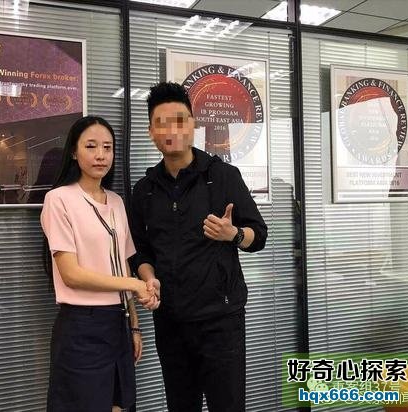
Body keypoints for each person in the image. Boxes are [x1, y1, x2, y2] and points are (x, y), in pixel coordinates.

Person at [130, 82, 268, 411]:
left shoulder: (223, 176)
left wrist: (233, 234)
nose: (172, 130)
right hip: (171, 322)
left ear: (193, 124)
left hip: (221, 322)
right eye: (161, 123)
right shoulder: (144, 190)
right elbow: (140, 252)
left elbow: (259, 235)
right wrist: (148, 278)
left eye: (179, 120)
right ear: (151, 132)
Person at [40, 115, 158, 412]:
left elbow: (123, 264)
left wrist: (134, 324)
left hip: (118, 324)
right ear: (73, 152)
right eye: (91, 146)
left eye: (107, 147)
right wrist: (134, 285)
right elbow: (71, 274)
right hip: (82, 326)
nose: (101, 155)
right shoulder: (59, 199)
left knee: (120, 405)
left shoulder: (116, 201)